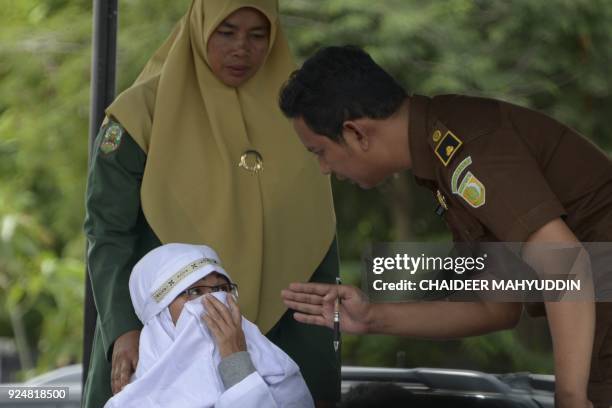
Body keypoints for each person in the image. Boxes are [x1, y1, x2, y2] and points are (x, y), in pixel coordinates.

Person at [278, 46, 612, 408]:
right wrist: (372, 316)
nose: (324, 169)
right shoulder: (442, 161)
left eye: (319, 152)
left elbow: (565, 265)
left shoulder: (467, 150)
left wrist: (569, 396)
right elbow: (496, 307)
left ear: (356, 133)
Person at [83, 1, 338, 407]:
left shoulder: (300, 117)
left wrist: (325, 335)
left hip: (281, 331)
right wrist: (122, 329)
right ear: (199, 28)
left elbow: (315, 231)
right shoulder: (140, 114)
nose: (242, 48)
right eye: (226, 32)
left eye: (258, 35)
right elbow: (108, 232)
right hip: (161, 332)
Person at [104, 243, 314, 408]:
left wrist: (236, 361)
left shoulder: (276, 369)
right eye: (195, 292)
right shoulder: (132, 399)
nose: (216, 301)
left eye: (223, 289)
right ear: (161, 317)